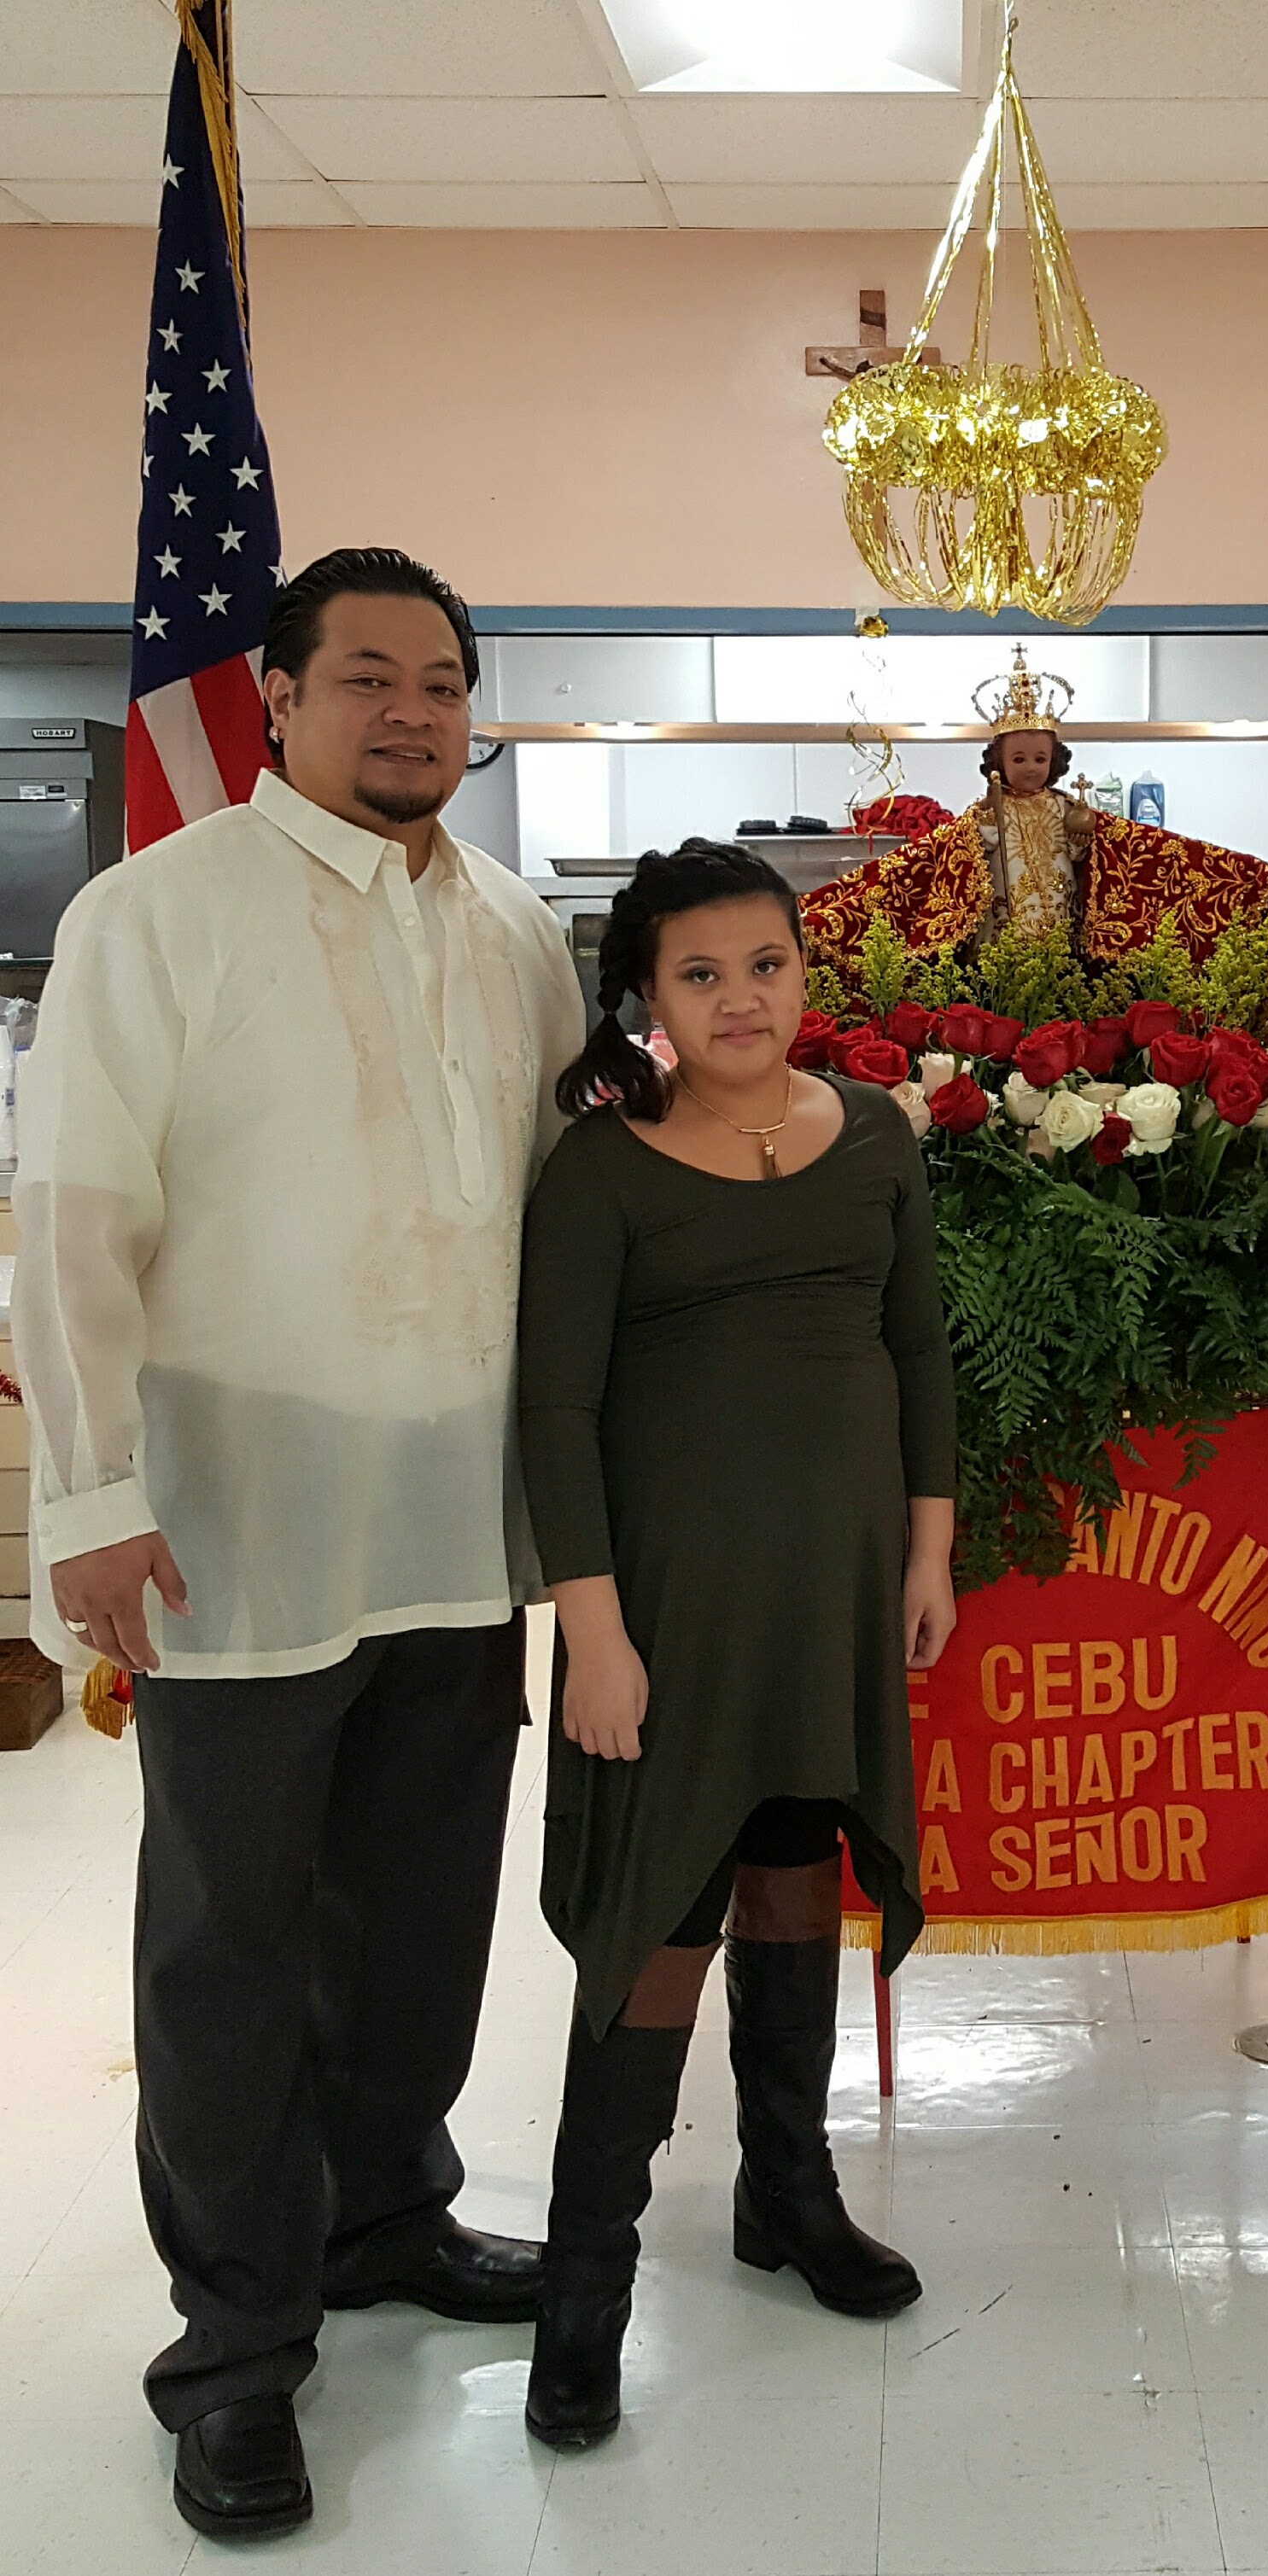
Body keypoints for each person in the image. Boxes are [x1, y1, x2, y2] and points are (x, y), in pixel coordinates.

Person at [13, 548, 585, 2540]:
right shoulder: (153, 915)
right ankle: (237, 2353)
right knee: (232, 1946)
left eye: (444, 679)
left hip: (461, 1516)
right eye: (369, 678)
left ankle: (384, 2216)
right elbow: (75, 1212)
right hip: (239, 1521)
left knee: (419, 1915)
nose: (414, 711)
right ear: (277, 695)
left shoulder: (517, 928)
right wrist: (88, 1502)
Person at [515, 837, 958, 2452]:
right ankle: (585, 2287)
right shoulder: (602, 1168)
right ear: (646, 995)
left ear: (803, 969)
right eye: (698, 974)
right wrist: (594, 1639)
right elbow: (552, 1410)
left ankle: (789, 2190)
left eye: (763, 963)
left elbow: (916, 1347)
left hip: (834, 1595)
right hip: (670, 1617)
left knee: (794, 1870)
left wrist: (928, 1550)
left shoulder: (878, 1136)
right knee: (655, 1923)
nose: (739, 998)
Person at [800, 644, 1268, 970]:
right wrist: (984, 838)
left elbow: (1119, 857)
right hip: (1002, 929)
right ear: (998, 759)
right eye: (1019, 758)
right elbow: (942, 862)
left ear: (1055, 760)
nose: (1031, 767)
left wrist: (1083, 845)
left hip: (1063, 925)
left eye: (1041, 757)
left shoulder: (1068, 807)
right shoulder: (983, 813)